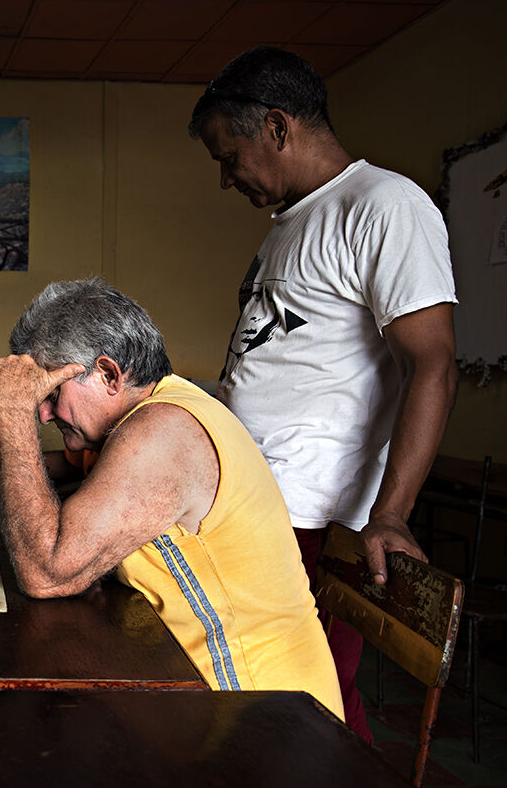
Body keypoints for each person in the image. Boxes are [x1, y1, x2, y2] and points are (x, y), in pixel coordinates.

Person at [188, 46, 458, 741]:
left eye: (230, 156)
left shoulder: (386, 205)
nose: (227, 179)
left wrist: (391, 514)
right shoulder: (290, 227)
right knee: (278, 702)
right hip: (257, 508)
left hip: (317, 518)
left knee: (306, 709)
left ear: (277, 126)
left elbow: (433, 363)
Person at [0, 277, 343, 717]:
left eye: (51, 393)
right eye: (37, 399)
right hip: (214, 697)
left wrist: (12, 412)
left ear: (109, 374)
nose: (43, 411)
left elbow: (46, 574)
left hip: (263, 713)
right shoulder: (153, 413)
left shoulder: (163, 433)